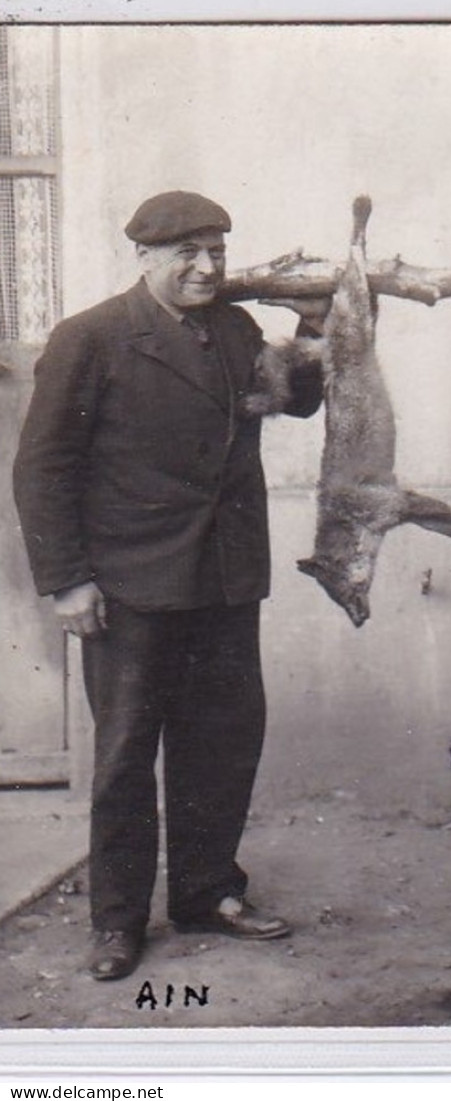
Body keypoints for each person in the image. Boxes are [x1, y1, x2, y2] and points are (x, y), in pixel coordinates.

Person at [12, 191, 327, 981]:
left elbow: (297, 400)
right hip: (129, 583)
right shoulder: (91, 338)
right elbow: (42, 468)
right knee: (123, 758)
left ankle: (207, 892)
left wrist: (319, 326)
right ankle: (116, 922)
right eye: (187, 252)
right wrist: (68, 581)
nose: (207, 267)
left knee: (220, 743)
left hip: (223, 576)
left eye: (217, 251)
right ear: (144, 257)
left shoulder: (236, 329)